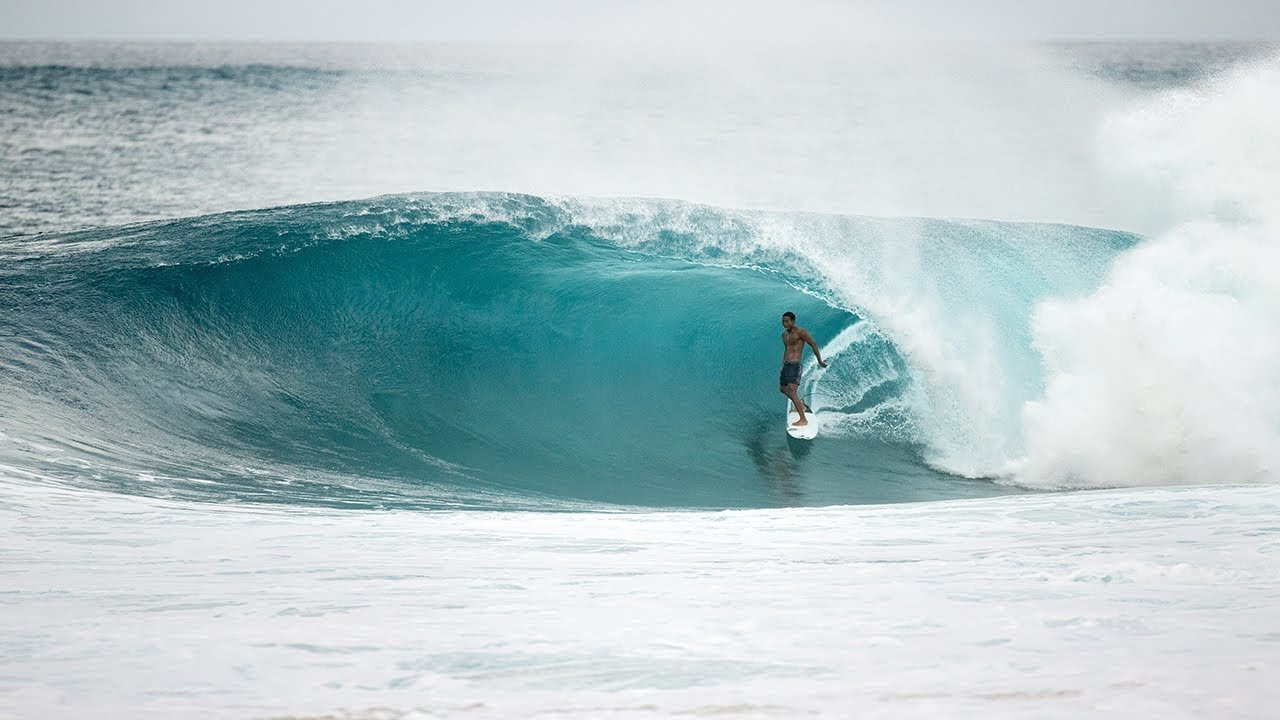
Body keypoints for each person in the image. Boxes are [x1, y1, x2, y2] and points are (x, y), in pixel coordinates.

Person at [779, 311, 827, 426]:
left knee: (792, 390)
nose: (784, 323)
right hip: (786, 365)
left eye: (787, 321)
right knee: (783, 389)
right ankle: (802, 406)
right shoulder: (784, 335)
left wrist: (819, 361)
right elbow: (787, 350)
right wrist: (782, 365)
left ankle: (803, 419)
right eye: (783, 321)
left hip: (795, 365)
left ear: (793, 321)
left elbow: (813, 345)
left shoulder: (800, 332)